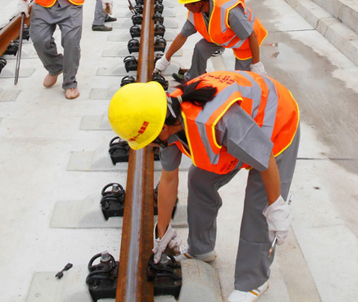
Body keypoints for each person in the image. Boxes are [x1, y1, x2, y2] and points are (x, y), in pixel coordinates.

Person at [108, 71, 299, 302]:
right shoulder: (165, 117)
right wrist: (162, 232)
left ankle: (253, 281)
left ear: (162, 130)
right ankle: (201, 248)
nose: (150, 145)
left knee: (260, 207)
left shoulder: (215, 120)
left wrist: (277, 206)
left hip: (275, 124)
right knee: (199, 179)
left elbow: (264, 156)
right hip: (240, 134)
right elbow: (168, 180)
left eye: (149, 139)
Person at [154, 0, 266, 84]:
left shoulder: (229, 11)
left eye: (186, 3)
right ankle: (193, 79)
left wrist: (256, 63)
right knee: (201, 48)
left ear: (198, 4)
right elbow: (182, 36)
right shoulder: (195, 12)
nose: (184, 6)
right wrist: (165, 59)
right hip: (222, 36)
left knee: (242, 80)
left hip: (246, 41)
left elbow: (251, 35)